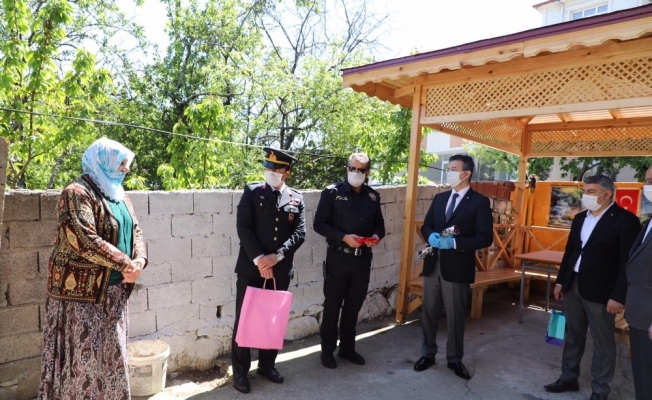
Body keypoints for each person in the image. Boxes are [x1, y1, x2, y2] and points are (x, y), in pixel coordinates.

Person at [39, 138, 147, 400]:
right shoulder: (76, 193)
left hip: (114, 293)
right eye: (122, 163)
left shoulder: (121, 196)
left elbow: (136, 231)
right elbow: (83, 239)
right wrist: (126, 264)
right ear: (104, 161)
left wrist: (140, 261)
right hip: (81, 297)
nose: (126, 169)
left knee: (112, 358)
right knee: (83, 364)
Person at [544, 175, 640, 400]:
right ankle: (569, 377)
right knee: (573, 335)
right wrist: (560, 281)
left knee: (602, 341)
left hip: (602, 291)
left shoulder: (626, 221)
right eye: (585, 191)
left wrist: (619, 296)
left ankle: (600, 389)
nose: (585, 196)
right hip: (573, 285)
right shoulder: (580, 218)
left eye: (591, 192)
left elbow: (627, 263)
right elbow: (570, 252)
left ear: (607, 194)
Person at [231, 147, 306, 394]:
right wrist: (261, 260)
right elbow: (244, 228)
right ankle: (240, 372)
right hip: (251, 268)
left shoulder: (296, 198)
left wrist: (277, 257)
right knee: (244, 319)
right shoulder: (252, 192)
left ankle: (266, 366)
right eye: (267, 166)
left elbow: (299, 233)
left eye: (275, 168)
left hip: (280, 269)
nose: (270, 171)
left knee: (272, 318)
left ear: (287, 172)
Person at [413, 154, 492, 380]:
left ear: (466, 174)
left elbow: (485, 237)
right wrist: (431, 235)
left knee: (455, 315)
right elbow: (427, 225)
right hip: (433, 264)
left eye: (453, 169)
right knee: (429, 312)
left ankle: (455, 359)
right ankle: (427, 354)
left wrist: (455, 243)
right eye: (448, 169)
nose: (449, 173)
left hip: (457, 267)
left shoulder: (479, 202)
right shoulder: (440, 198)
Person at [313, 152, 385, 369]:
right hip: (338, 259)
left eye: (360, 170)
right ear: (346, 169)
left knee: (353, 306)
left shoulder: (372, 196)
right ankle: (327, 351)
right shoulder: (332, 193)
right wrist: (344, 237)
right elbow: (319, 224)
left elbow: (379, 225)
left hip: (362, 260)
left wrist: (376, 236)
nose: (355, 173)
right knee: (333, 305)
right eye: (352, 168)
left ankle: (347, 348)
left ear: (367, 173)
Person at [625, 165, 652, 400]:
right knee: (643, 380)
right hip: (640, 314)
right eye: (647, 181)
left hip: (649, 317)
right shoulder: (649, 221)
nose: (648, 186)